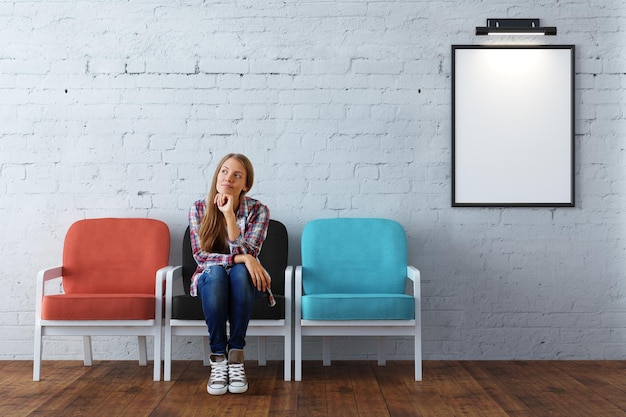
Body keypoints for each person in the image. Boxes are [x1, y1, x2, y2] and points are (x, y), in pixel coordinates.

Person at [188, 153, 271, 395]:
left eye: (237, 175)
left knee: (238, 273)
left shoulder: (259, 211)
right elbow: (201, 257)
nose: (228, 178)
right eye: (224, 171)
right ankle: (218, 360)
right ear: (217, 175)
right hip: (209, 282)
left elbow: (250, 252)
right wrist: (243, 258)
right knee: (215, 273)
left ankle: (235, 358)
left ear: (246, 184)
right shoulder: (199, 208)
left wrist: (229, 215)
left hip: (244, 284)